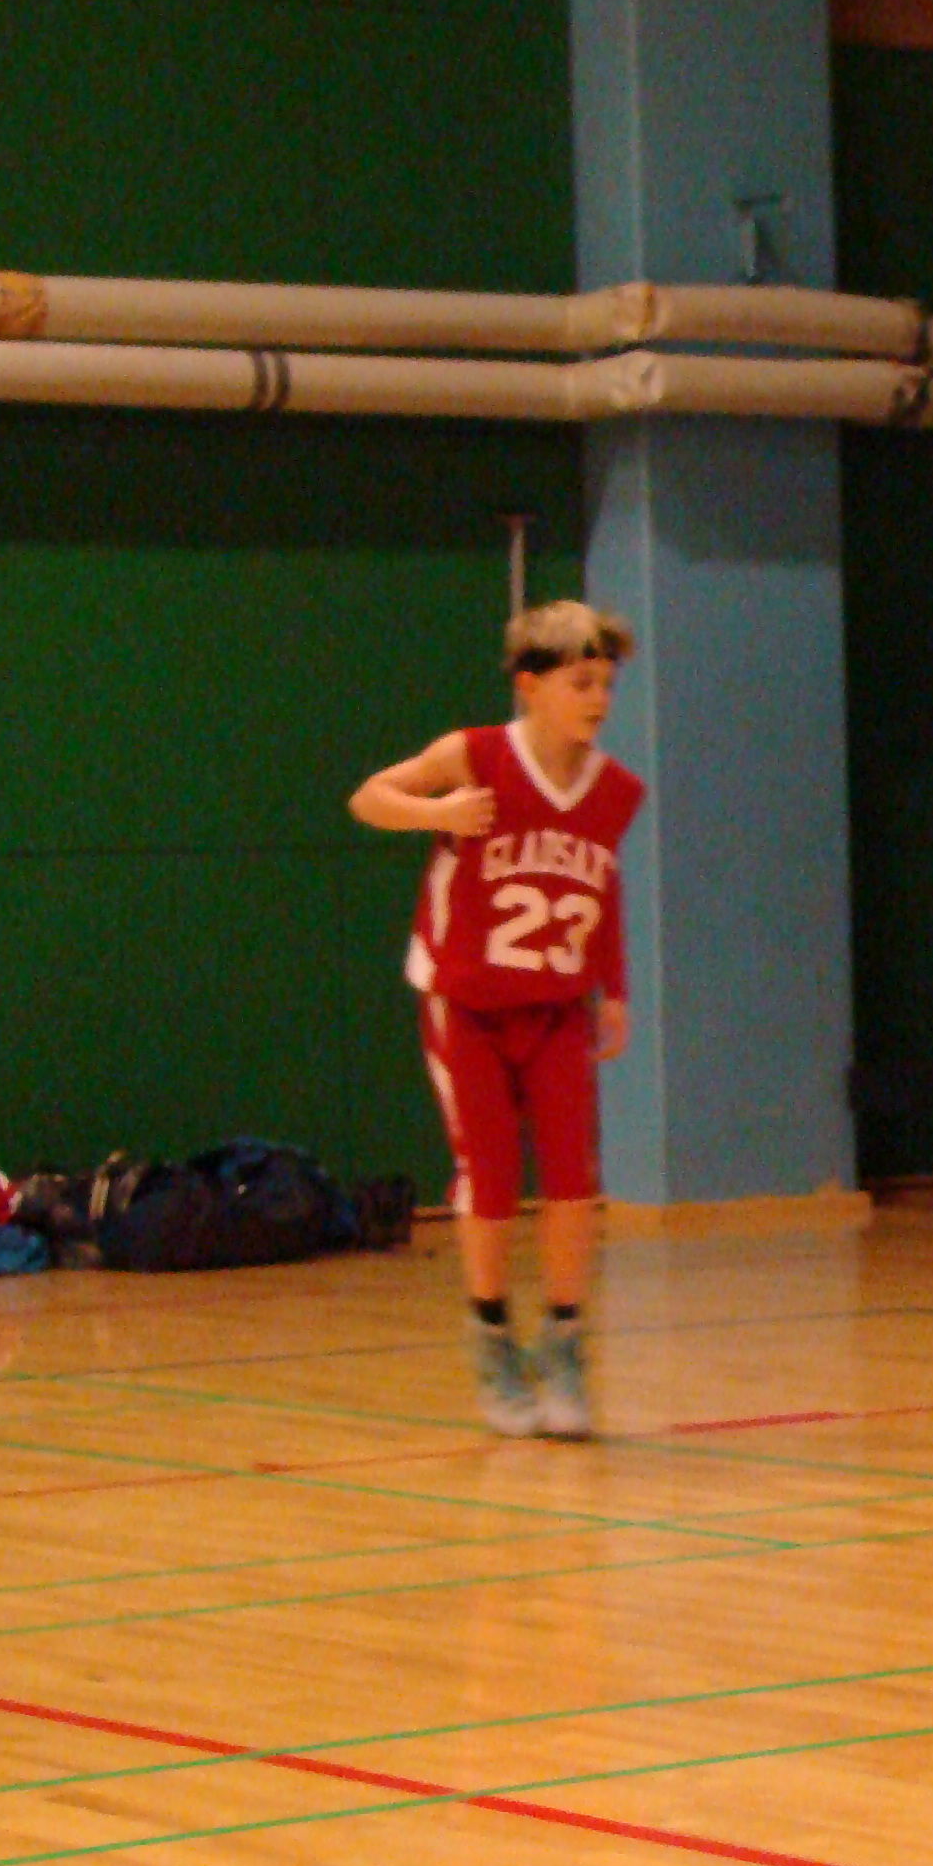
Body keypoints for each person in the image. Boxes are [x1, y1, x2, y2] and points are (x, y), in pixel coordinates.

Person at [350, 598, 643, 1437]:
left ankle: (564, 1342)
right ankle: (490, 1337)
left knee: (574, 1179)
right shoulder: (474, 756)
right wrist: (435, 814)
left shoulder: (615, 790)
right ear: (530, 685)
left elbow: (600, 883)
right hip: (467, 1003)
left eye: (607, 685)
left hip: (555, 1007)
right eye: (582, 683)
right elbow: (369, 798)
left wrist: (614, 988)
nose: (598, 700)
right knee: (491, 1175)